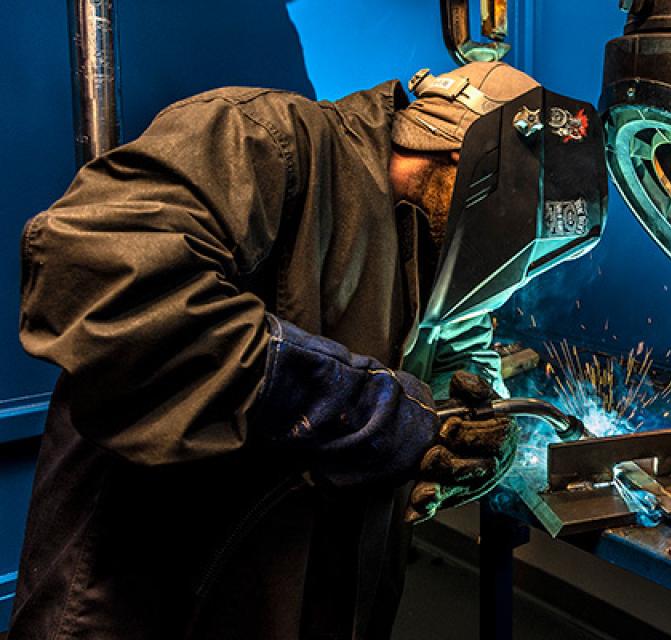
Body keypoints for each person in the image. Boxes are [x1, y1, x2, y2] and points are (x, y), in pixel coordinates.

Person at [10, 62, 538, 639]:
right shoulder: (260, 136)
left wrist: (474, 437)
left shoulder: (438, 245)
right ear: (469, 163)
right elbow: (101, 284)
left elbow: (457, 363)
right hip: (147, 600)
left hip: (311, 603)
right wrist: (361, 408)